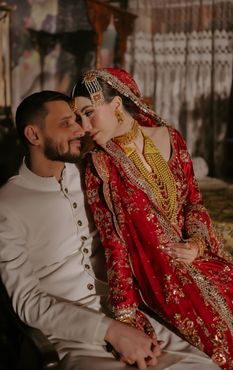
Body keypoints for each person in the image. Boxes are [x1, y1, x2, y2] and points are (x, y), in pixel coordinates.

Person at [0, 90, 221, 370]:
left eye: (79, 120)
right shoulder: (7, 205)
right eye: (67, 123)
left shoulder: (95, 172)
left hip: (134, 314)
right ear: (34, 135)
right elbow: (27, 302)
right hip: (72, 336)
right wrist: (110, 331)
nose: (80, 129)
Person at [71, 68, 233, 370]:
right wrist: (125, 315)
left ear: (116, 105)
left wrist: (198, 243)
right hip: (160, 280)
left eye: (88, 113)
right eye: (78, 118)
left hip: (202, 259)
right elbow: (114, 243)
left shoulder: (171, 137)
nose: (83, 126)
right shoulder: (100, 163)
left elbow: (194, 203)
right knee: (222, 340)